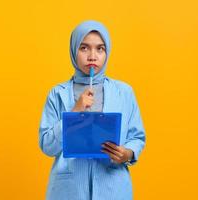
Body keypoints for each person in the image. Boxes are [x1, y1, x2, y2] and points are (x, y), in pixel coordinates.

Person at [39, 20, 146, 200]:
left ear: (107, 52)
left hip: (113, 188)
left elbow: (137, 137)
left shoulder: (124, 92)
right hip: (69, 190)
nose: (92, 56)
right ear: (74, 50)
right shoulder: (57, 93)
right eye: (84, 48)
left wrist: (126, 153)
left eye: (100, 49)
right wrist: (74, 111)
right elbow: (47, 145)